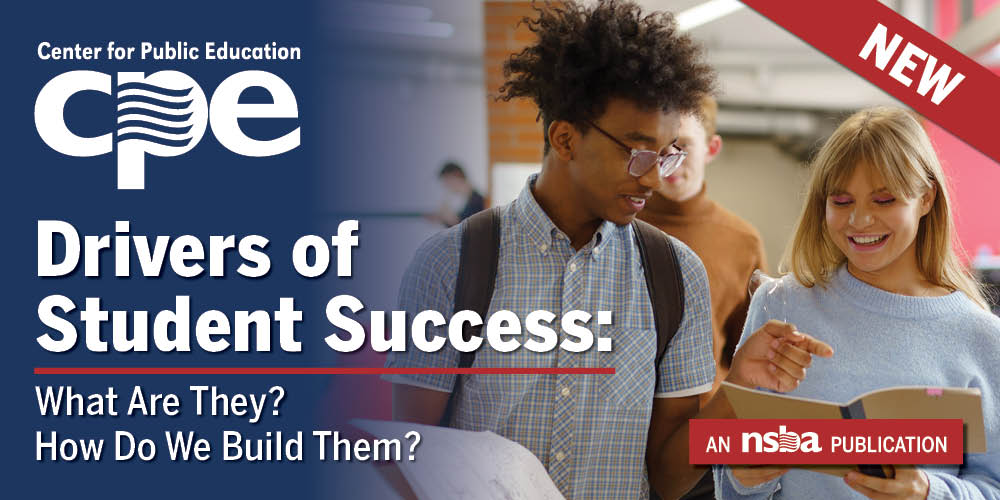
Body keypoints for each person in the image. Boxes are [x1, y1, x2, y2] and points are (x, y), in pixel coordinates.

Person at [386, 2, 831, 499]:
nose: (654, 178)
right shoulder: (453, 264)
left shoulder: (676, 275)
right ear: (565, 138)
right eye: (638, 153)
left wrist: (739, 389)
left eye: (667, 155)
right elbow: (412, 460)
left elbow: (669, 476)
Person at [715, 106, 1000, 500]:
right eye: (842, 201)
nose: (860, 220)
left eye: (884, 200)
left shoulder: (983, 337)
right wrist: (745, 478)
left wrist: (928, 493)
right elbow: (729, 485)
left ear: (926, 198)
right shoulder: (778, 306)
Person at [638, 96, 767, 500]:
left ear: (712, 149)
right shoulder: (618, 224)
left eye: (684, 146)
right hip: (621, 433)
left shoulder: (741, 240)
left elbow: (747, 349)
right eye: (660, 148)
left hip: (702, 444)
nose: (669, 160)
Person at [427, 162, 485, 227]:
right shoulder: (470, 199)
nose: (446, 186)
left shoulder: (478, 201)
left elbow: (467, 227)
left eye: (447, 181)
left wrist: (449, 218)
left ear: (456, 175)